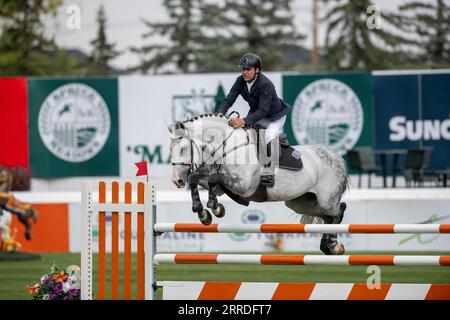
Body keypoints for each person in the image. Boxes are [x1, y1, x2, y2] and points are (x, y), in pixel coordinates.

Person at [217, 53, 292, 187]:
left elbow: (263, 111)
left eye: (248, 69)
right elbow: (229, 99)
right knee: (245, 136)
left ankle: (269, 171)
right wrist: (220, 113)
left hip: (275, 116)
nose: (245, 72)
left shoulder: (266, 84)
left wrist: (243, 120)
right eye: (243, 69)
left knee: (268, 135)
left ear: (257, 70)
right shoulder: (240, 81)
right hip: (257, 114)